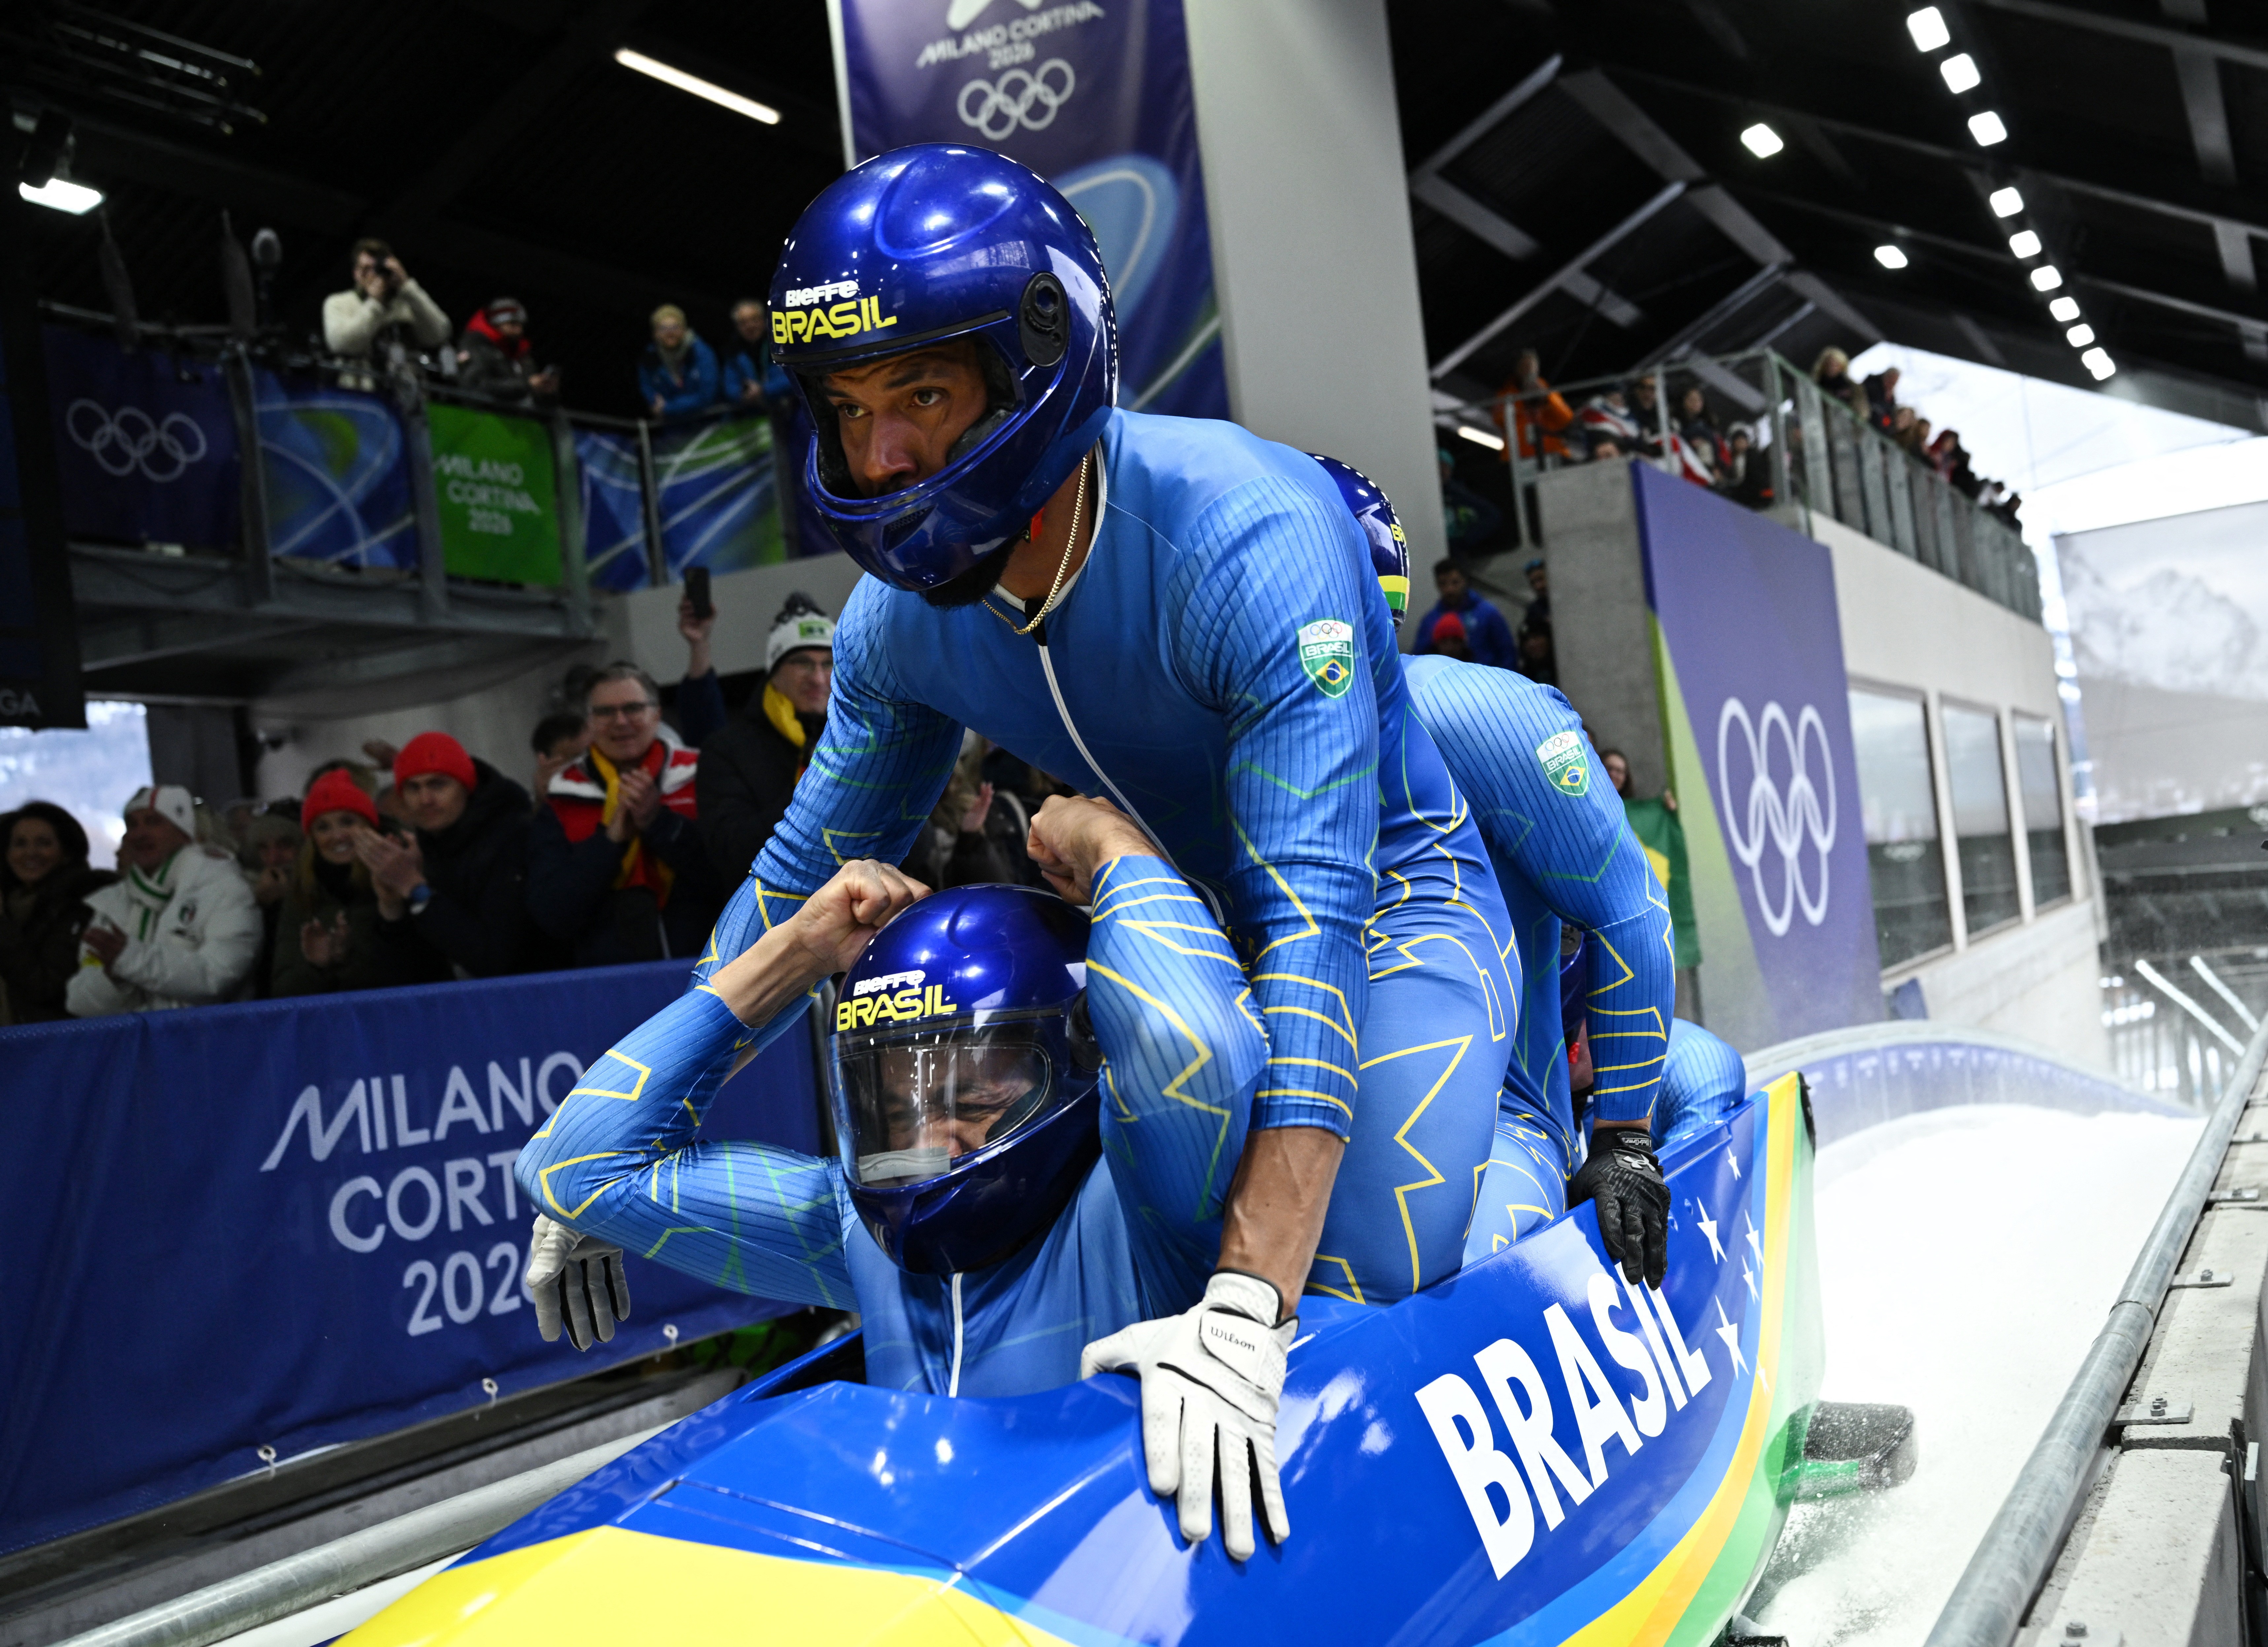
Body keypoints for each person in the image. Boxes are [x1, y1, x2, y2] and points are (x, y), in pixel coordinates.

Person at [728, 144, 1523, 1559]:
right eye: (850, 409)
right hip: (1165, 937)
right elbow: (796, 881)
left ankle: (1522, 1165)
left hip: (1386, 912)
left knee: (1368, 1247)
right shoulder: (894, 628)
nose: (881, 459)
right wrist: (656, 1070)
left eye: (919, 394)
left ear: (1038, 364)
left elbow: (1315, 923)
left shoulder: (1258, 540)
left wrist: (1254, 1303)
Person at [518, 801, 1285, 1549]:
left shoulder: (1145, 1199)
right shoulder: (860, 1233)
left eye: (976, 1098)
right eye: (893, 1106)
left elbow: (1193, 1043)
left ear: (1082, 1057)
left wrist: (1112, 838)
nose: (929, 1139)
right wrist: (803, 951)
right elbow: (576, 1165)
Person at [531, 664, 726, 965]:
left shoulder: (703, 773)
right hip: (609, 987)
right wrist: (609, 842)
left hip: (712, 973)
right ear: (589, 723)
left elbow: (733, 880)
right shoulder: (563, 796)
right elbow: (554, 917)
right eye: (605, 713)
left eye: (633, 708)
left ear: (657, 714)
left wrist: (658, 823)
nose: (620, 722)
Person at [359, 733, 543, 978]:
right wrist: (393, 906)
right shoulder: (430, 848)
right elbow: (409, 980)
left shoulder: (510, 839)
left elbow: (498, 961)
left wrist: (415, 888)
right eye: (413, 788)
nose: (426, 800)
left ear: (466, 787)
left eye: (438, 785)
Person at [67, 785, 261, 1016]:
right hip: (135, 1049)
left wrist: (130, 959)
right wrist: (114, 979)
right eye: (132, 825)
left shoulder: (225, 890)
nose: (139, 834)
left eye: (153, 822)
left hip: (208, 1046)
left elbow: (217, 977)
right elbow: (80, 1004)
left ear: (184, 832)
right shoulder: (113, 904)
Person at [696, 599, 837, 884]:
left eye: (829, 663)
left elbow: (917, 848)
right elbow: (730, 852)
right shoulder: (727, 749)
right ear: (774, 671)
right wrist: (816, 791)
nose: (819, 678)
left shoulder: (861, 738)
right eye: (802, 663)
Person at [272, 770, 438, 997]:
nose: (338, 836)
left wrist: (349, 960)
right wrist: (321, 967)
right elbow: (284, 992)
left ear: (369, 827)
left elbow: (425, 969)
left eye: (347, 822)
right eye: (323, 827)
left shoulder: (405, 872)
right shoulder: (303, 891)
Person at [0, 803, 113, 1024]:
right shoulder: (14, 906)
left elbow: (46, 987)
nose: (31, 853)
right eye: (20, 844)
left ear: (67, 852)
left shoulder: (82, 904)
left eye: (44, 844)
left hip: (57, 1045)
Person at [322, 239, 450, 376]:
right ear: (356, 274)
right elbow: (342, 345)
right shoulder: (339, 303)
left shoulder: (407, 304)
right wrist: (376, 304)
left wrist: (407, 287)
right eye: (366, 269)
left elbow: (440, 335)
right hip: (358, 391)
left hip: (407, 390)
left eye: (379, 269)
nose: (374, 275)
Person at [1414, 557, 1517, 668]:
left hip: (1487, 680)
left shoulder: (1488, 614)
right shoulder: (1431, 621)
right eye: (1443, 584)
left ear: (1465, 581)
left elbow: (1508, 653)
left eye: (1455, 583)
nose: (1450, 589)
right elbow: (1420, 659)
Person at [455, 297, 559, 405]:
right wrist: (527, 385)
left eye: (521, 325)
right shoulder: (477, 345)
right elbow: (477, 386)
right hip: (488, 412)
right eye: (513, 324)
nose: (519, 330)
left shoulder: (520, 352)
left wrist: (545, 391)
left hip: (519, 414)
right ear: (496, 323)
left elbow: (532, 396)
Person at [638, 305, 719, 420]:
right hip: (672, 427)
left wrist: (668, 408)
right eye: (663, 328)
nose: (670, 333)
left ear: (684, 330)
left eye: (675, 327)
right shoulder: (649, 359)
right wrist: (657, 405)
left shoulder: (701, 352)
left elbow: (706, 396)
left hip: (707, 422)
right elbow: (650, 392)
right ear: (655, 334)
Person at [1495, 348, 1573, 462]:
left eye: (1531, 366)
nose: (1528, 370)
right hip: (1519, 456)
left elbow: (1566, 419)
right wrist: (1523, 400)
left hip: (1551, 453)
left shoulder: (1548, 392)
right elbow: (1500, 421)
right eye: (1524, 366)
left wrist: (1546, 398)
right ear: (1517, 369)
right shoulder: (1506, 395)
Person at [721, 298, 791, 411]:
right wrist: (743, 394)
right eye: (743, 323)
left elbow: (794, 377)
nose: (750, 326)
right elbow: (729, 387)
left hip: (788, 408)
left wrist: (763, 390)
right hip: (752, 413)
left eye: (754, 320)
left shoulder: (781, 342)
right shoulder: (734, 352)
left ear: (764, 319)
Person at [1436, 447, 1502, 551]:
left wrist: (1465, 540)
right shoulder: (1423, 495)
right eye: (1439, 466)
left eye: (1446, 467)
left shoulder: (1458, 493)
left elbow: (1492, 515)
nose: (1442, 471)